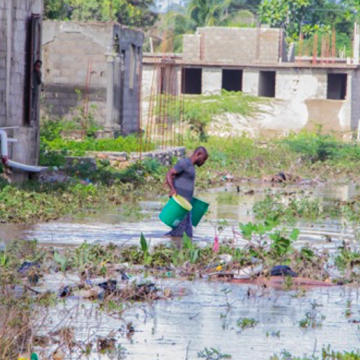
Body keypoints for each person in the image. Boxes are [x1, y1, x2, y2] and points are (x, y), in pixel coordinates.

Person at [165, 147, 209, 238]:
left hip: (187, 205)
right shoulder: (184, 163)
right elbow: (170, 173)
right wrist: (172, 189)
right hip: (180, 205)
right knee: (178, 234)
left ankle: (184, 251)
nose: (204, 162)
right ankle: (165, 244)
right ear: (199, 155)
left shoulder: (191, 166)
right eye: (204, 159)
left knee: (188, 235)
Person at [31, 60, 42, 124]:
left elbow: (39, 82)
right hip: (30, 90)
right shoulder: (32, 71)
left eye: (39, 66)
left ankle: (32, 119)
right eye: (37, 65)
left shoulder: (39, 73)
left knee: (33, 105)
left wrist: (38, 73)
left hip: (34, 91)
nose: (37, 67)